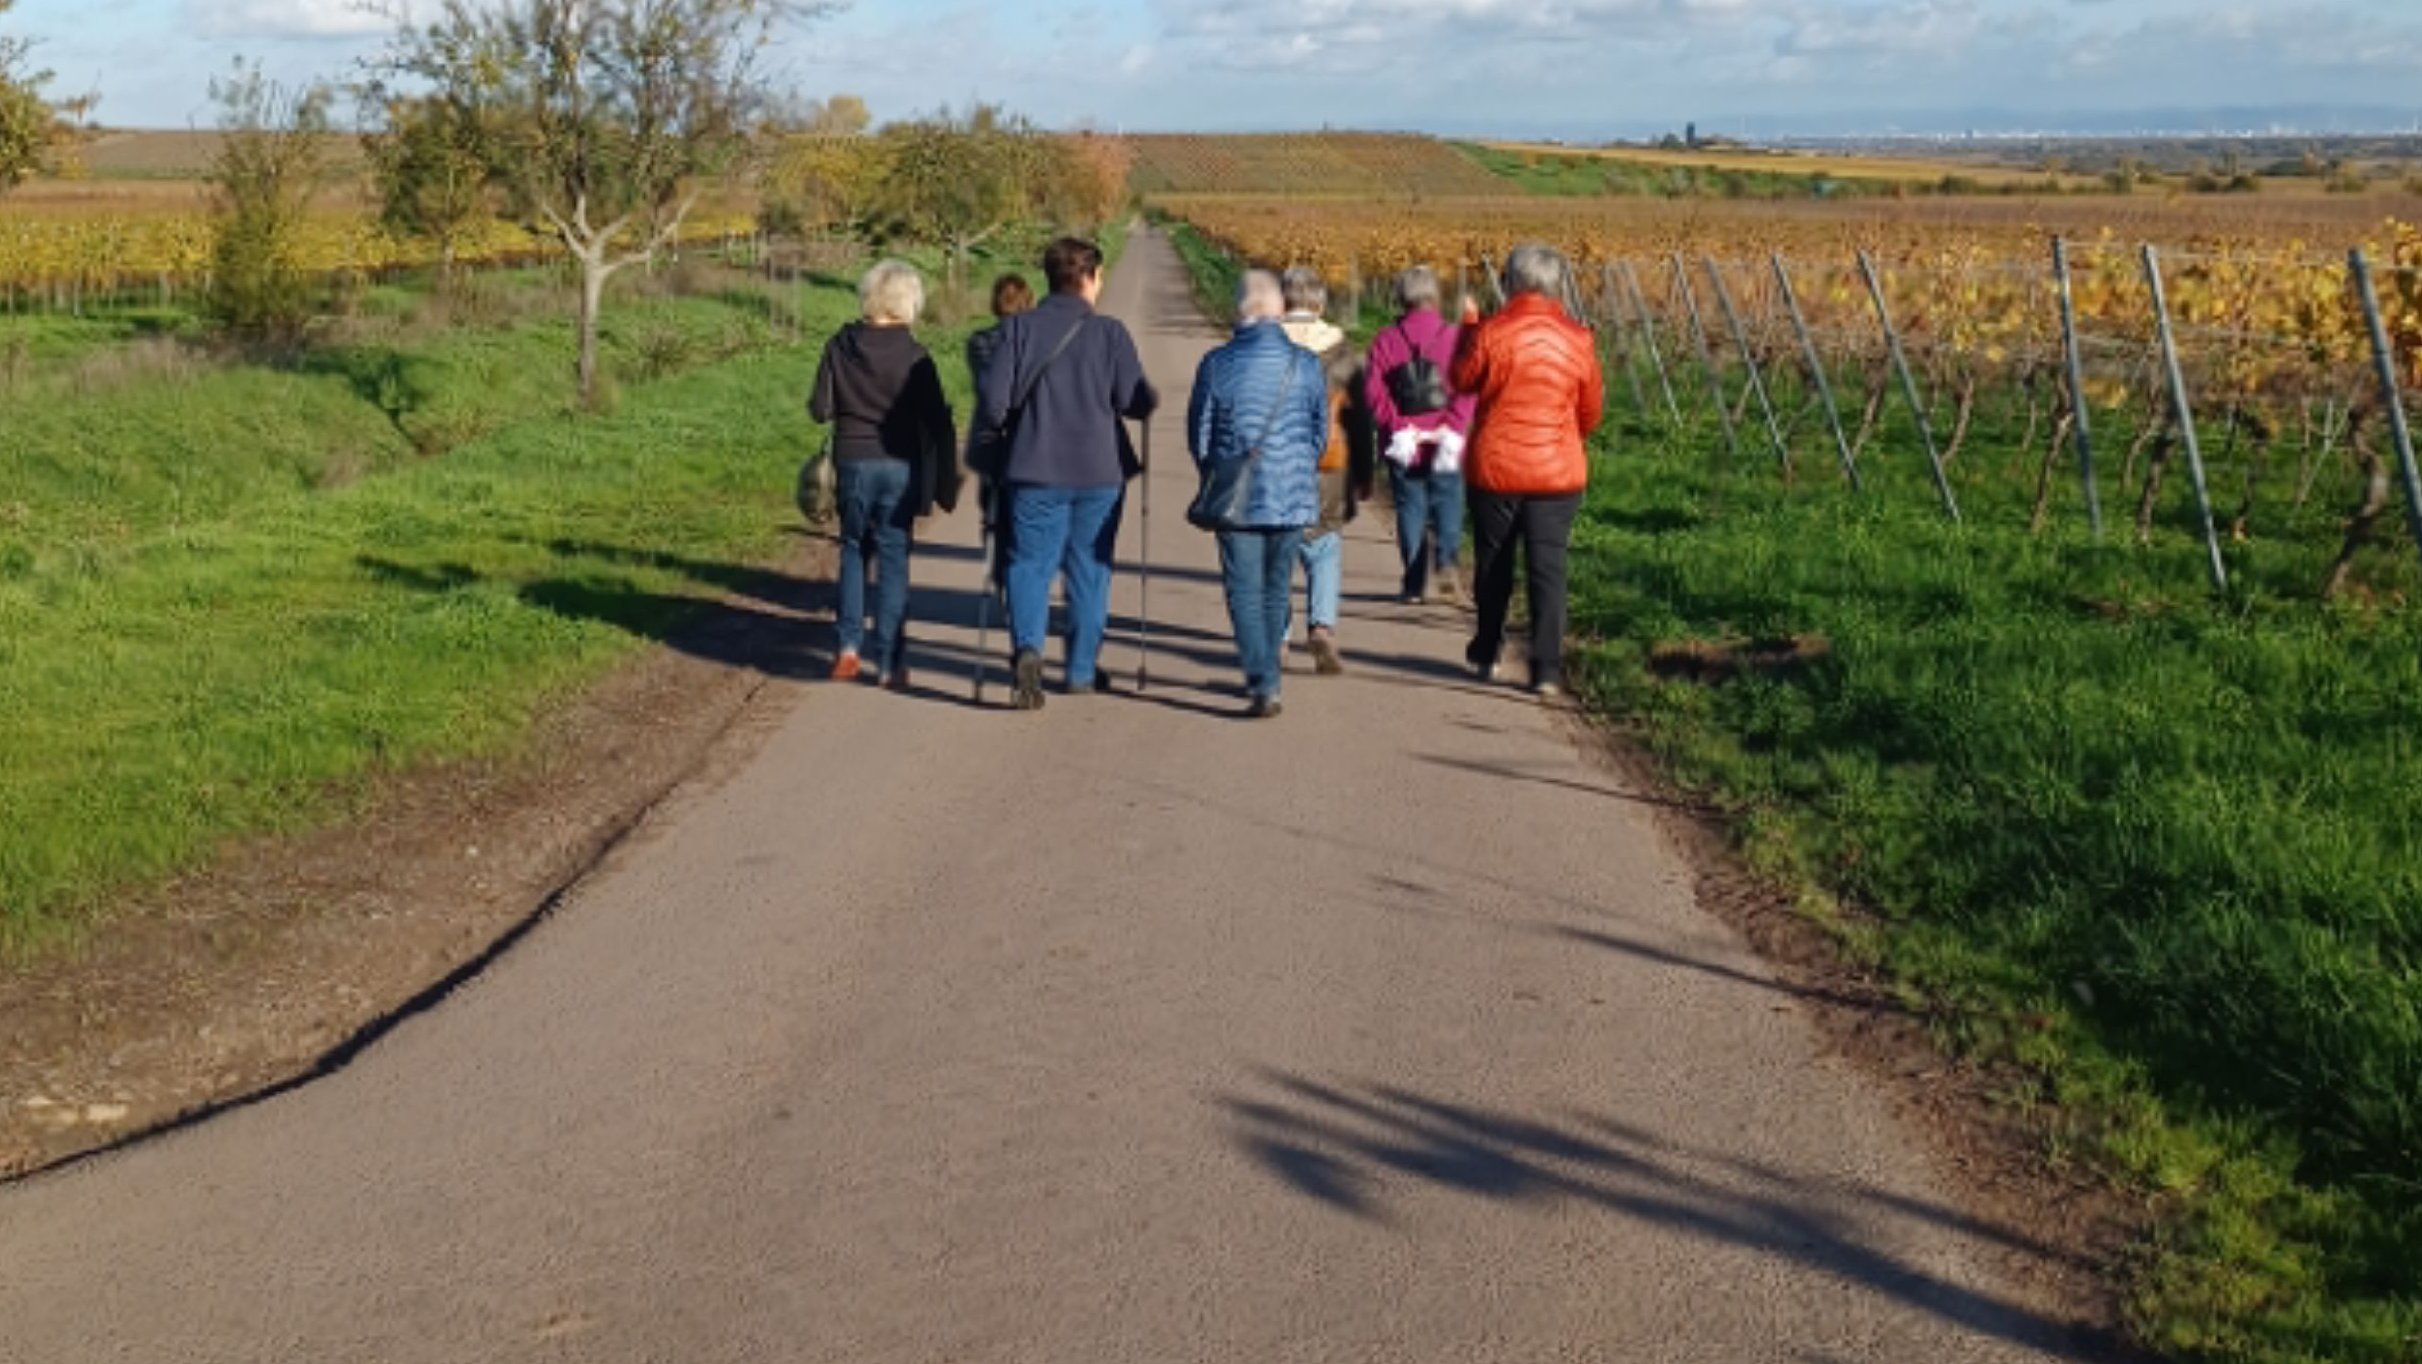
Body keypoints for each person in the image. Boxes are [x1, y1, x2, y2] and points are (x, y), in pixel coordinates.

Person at [978, 238, 1159, 711]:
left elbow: (994, 405)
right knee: (1090, 568)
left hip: (1033, 469)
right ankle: (1080, 670)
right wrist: (1146, 398)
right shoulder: (1110, 334)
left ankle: (1028, 650)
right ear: (1090, 278)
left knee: (1028, 564)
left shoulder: (1017, 331)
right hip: (1099, 472)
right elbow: (1133, 401)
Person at [1450, 243, 1605, 699]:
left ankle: (1488, 649)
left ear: (1511, 280)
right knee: (1548, 569)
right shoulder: (1579, 338)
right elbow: (1591, 411)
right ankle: (1547, 669)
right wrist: (1562, 436)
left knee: (1494, 562)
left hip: (1496, 465)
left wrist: (1468, 330)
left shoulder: (1492, 332)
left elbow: (1461, 381)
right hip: (1557, 471)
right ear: (1556, 284)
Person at [808, 259, 960, 690]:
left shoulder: (839, 346)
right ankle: (890, 663)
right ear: (907, 302)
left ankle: (848, 649)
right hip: (900, 466)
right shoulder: (916, 356)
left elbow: (820, 409)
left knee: (853, 551)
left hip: (852, 461)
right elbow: (936, 421)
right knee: (893, 560)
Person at [1187, 270, 1330, 719]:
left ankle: (1263, 680)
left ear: (1240, 310)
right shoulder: (1305, 365)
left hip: (1238, 496)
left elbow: (1200, 435)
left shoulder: (1216, 364)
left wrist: (1215, 473)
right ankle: (1269, 674)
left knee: (1243, 589)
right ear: (1280, 310)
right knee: (1275, 587)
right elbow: (1319, 434)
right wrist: (1297, 465)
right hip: (1292, 494)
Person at [1364, 265, 1476, 605]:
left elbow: (1373, 391)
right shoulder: (1456, 338)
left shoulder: (1385, 340)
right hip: (1445, 443)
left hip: (1404, 444)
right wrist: (1453, 425)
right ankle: (1446, 568)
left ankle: (1413, 584)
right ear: (1435, 296)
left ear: (1401, 297)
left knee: (1410, 509)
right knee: (1448, 507)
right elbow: (1469, 388)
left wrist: (1396, 425)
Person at [1276, 266, 1356, 675]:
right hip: (1328, 463)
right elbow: (1362, 419)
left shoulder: (1264, 344)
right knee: (1324, 546)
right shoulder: (1342, 350)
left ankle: (1277, 636)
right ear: (1320, 303)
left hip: (1275, 464)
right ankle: (1322, 626)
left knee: (1275, 549)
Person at [964, 273, 1034, 593]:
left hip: (990, 438)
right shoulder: (1037, 343)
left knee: (991, 510)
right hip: (1029, 438)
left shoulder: (979, 342)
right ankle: (1021, 575)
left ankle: (998, 573)